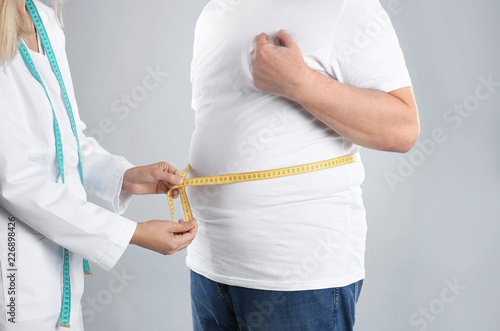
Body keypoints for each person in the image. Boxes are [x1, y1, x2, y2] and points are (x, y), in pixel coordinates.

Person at [187, 0, 419, 330]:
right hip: (208, 268)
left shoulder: (345, 7)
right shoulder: (215, 11)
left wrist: (301, 83)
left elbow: (403, 129)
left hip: (299, 278)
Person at [0, 0, 197, 330]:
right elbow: (15, 180)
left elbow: (66, 142)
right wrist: (132, 233)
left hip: (63, 273)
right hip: (15, 275)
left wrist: (126, 177)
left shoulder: (44, 19)